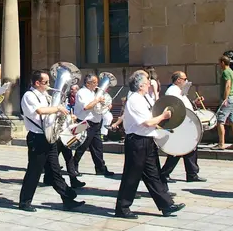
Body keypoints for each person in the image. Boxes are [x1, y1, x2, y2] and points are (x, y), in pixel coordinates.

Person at [115, 70, 185, 219]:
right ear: (140, 85)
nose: (149, 84)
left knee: (154, 175)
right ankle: (122, 208)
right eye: (147, 82)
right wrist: (164, 116)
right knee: (131, 176)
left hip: (147, 140)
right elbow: (147, 122)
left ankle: (166, 205)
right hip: (137, 141)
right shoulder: (134, 100)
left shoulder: (144, 98)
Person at [18, 70, 84, 213]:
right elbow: (40, 111)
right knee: (34, 171)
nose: (49, 85)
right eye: (46, 82)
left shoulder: (45, 95)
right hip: (37, 138)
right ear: (37, 83)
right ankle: (25, 201)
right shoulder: (29, 95)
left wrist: (65, 115)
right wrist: (57, 108)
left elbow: (53, 113)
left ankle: (68, 199)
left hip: (50, 136)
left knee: (55, 170)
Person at [160, 71, 206, 183]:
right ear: (178, 80)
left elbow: (185, 105)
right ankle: (164, 173)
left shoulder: (179, 91)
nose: (186, 81)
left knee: (190, 147)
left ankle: (192, 174)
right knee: (179, 149)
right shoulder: (172, 91)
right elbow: (175, 107)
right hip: (181, 123)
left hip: (186, 122)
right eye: (185, 79)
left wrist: (195, 102)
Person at [72, 74, 115, 177]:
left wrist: (105, 105)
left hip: (95, 123)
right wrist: (98, 100)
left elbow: (98, 107)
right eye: (95, 82)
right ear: (88, 83)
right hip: (84, 123)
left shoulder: (93, 93)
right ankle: (73, 167)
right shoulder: (81, 92)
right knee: (82, 146)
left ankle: (100, 168)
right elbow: (86, 107)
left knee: (98, 147)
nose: (97, 84)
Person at [214, 55, 233, 150]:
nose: (219, 64)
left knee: (220, 121)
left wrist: (225, 98)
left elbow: (228, 85)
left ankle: (221, 143)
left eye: (219, 62)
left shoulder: (225, 72)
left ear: (223, 63)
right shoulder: (232, 72)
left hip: (228, 99)